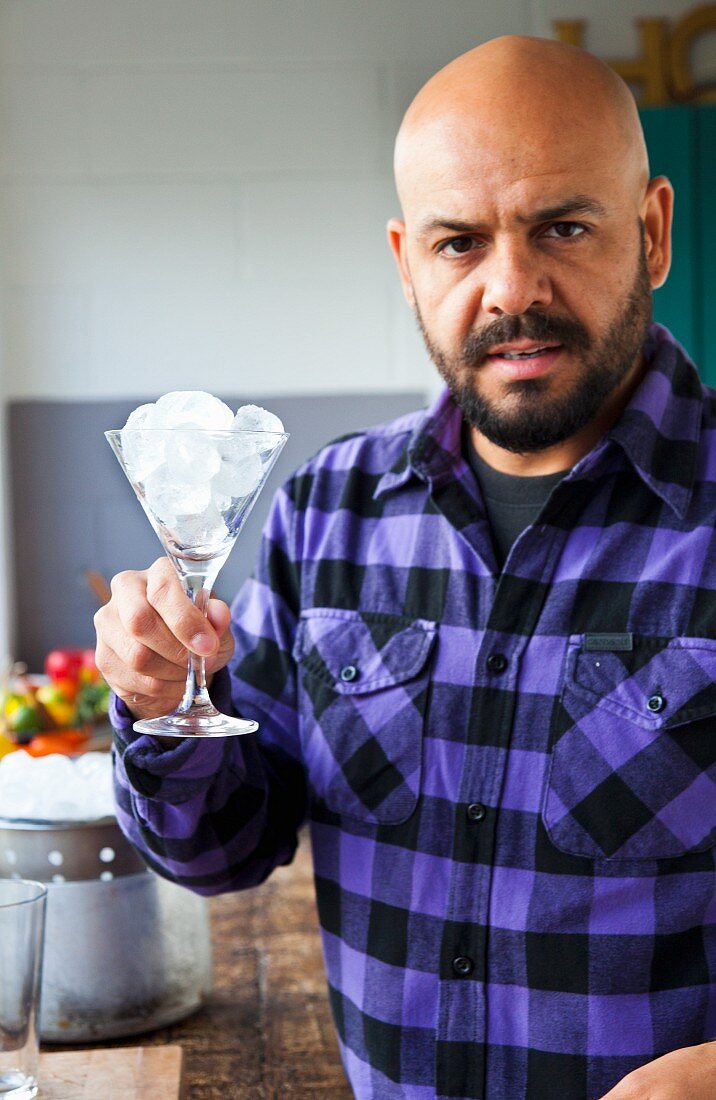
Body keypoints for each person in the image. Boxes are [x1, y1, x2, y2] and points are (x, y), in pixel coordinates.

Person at [95, 35, 716, 1100]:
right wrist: (157, 703)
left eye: (562, 226)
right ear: (404, 261)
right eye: (457, 243)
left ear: (652, 231)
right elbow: (223, 853)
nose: (509, 288)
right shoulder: (324, 511)